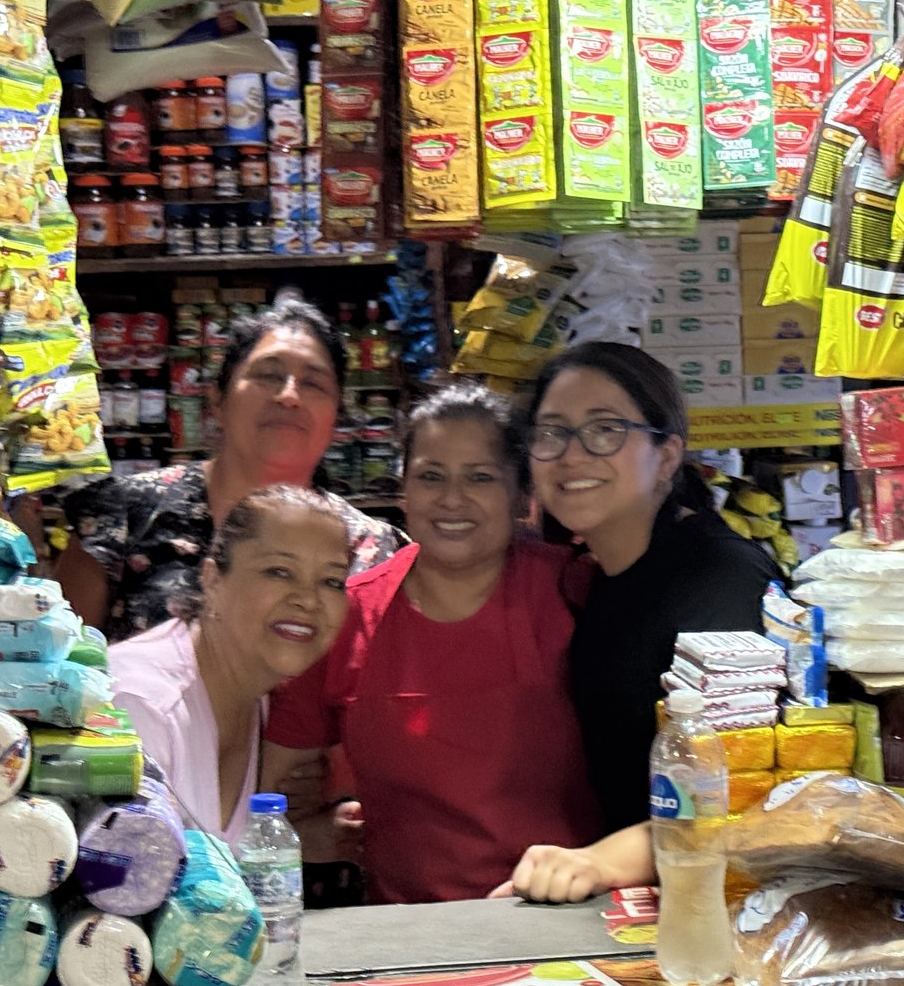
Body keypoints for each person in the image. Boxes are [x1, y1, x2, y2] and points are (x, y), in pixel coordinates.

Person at [261, 384, 604, 903]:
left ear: (521, 496)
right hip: (409, 933)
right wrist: (324, 829)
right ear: (403, 490)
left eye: (480, 477)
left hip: (568, 916)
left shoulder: (575, 592)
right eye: (430, 476)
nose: (452, 499)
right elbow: (273, 798)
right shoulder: (347, 617)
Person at [497, 342, 776, 902]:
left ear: (666, 456)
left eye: (605, 430)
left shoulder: (719, 577)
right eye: (552, 432)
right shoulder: (599, 573)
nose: (572, 455)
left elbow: (744, 795)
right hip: (647, 900)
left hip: (722, 905)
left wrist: (600, 861)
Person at [60, 293, 401, 639]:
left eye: (313, 383)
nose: (289, 395)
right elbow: (57, 658)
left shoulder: (371, 551)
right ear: (218, 400)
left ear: (336, 417)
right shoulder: (124, 515)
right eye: (268, 375)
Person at [108, 486, 354, 838]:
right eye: (279, 571)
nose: (309, 600)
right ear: (212, 580)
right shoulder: (142, 706)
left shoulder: (262, 699)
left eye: (332, 581)